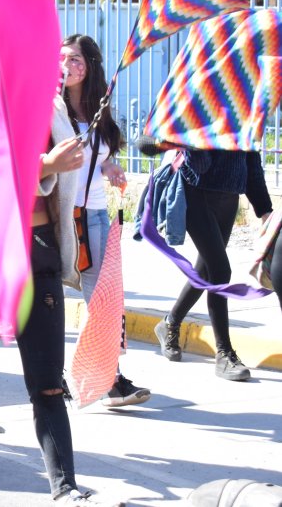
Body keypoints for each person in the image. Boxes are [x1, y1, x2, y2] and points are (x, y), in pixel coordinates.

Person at [0, 54, 124, 506]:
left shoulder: (49, 104)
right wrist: (47, 164)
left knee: (49, 382)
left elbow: (79, 156)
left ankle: (65, 487)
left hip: (41, 251)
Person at [60, 34, 150, 406]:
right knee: (48, 298)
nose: (66, 66)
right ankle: (61, 376)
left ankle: (108, 378)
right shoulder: (52, 108)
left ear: (91, 67)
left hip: (94, 215)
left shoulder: (96, 111)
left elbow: (98, 154)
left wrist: (109, 166)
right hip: (59, 216)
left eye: (75, 60)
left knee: (104, 298)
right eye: (61, 58)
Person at [154, 147, 271, 381]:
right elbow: (198, 166)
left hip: (229, 198)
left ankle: (169, 323)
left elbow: (251, 162)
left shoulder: (245, 113)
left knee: (206, 271)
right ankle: (224, 354)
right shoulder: (204, 110)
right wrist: (207, 137)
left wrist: (265, 210)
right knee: (220, 270)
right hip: (197, 195)